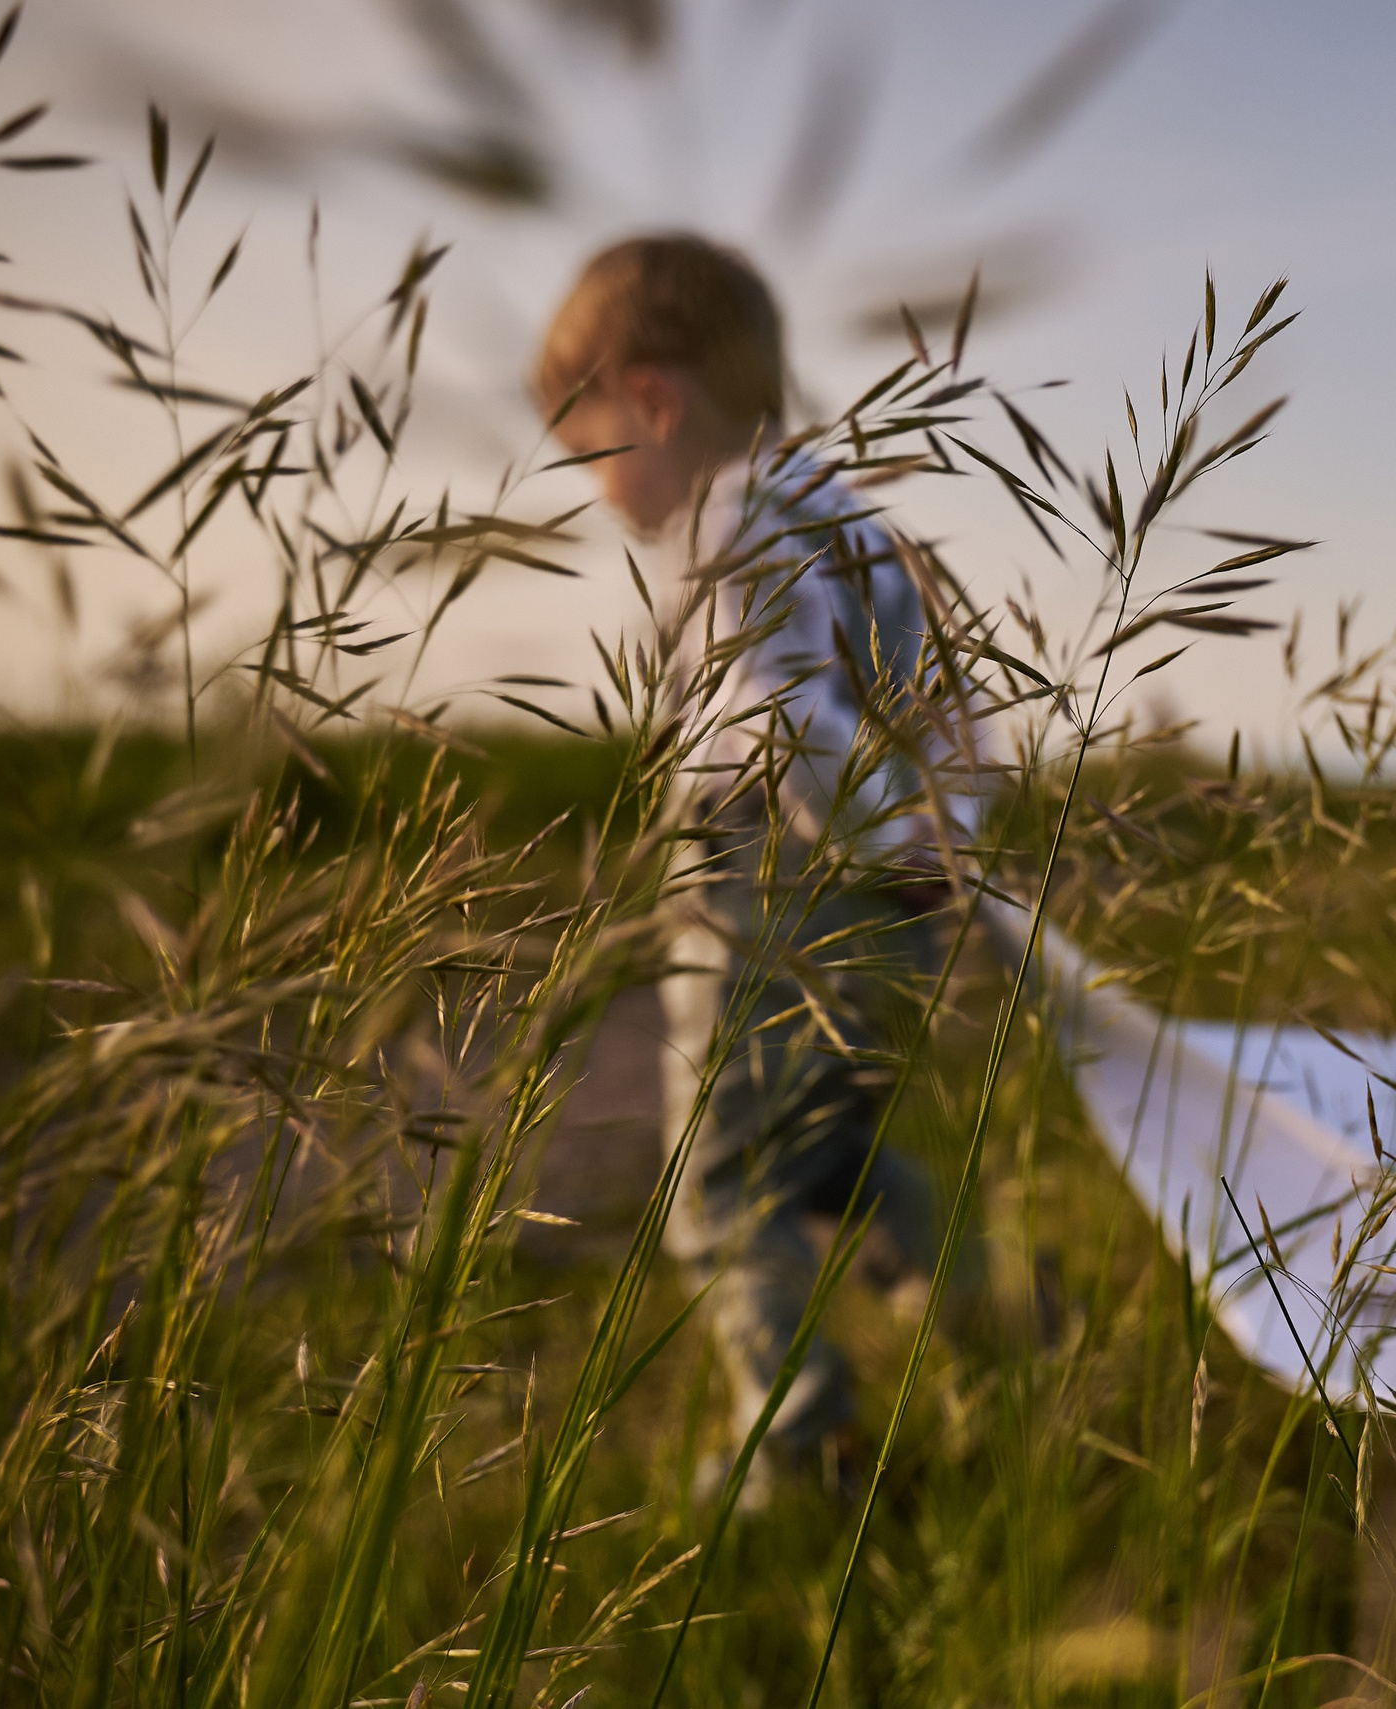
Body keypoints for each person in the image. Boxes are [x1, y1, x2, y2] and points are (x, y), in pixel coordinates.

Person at [534, 234, 976, 1499]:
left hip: (770, 882)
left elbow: (789, 721)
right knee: (831, 1144)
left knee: (725, 1183)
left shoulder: (734, 515)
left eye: (591, 451)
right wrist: (934, 853)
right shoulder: (857, 519)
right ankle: (995, 1310)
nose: (601, 491)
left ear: (652, 401)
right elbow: (944, 714)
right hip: (880, 899)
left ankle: (794, 1454)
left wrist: (872, 839)